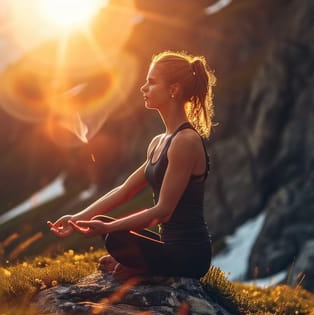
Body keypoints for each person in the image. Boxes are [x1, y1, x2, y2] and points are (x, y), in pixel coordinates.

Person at [48, 51, 216, 281]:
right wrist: (76, 218)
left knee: (114, 235)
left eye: (151, 82)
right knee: (106, 226)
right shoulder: (159, 141)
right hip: (167, 245)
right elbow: (125, 190)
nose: (143, 88)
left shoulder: (185, 142)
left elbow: (163, 212)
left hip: (189, 255)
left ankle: (144, 270)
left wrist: (109, 230)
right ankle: (142, 267)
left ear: (173, 90)